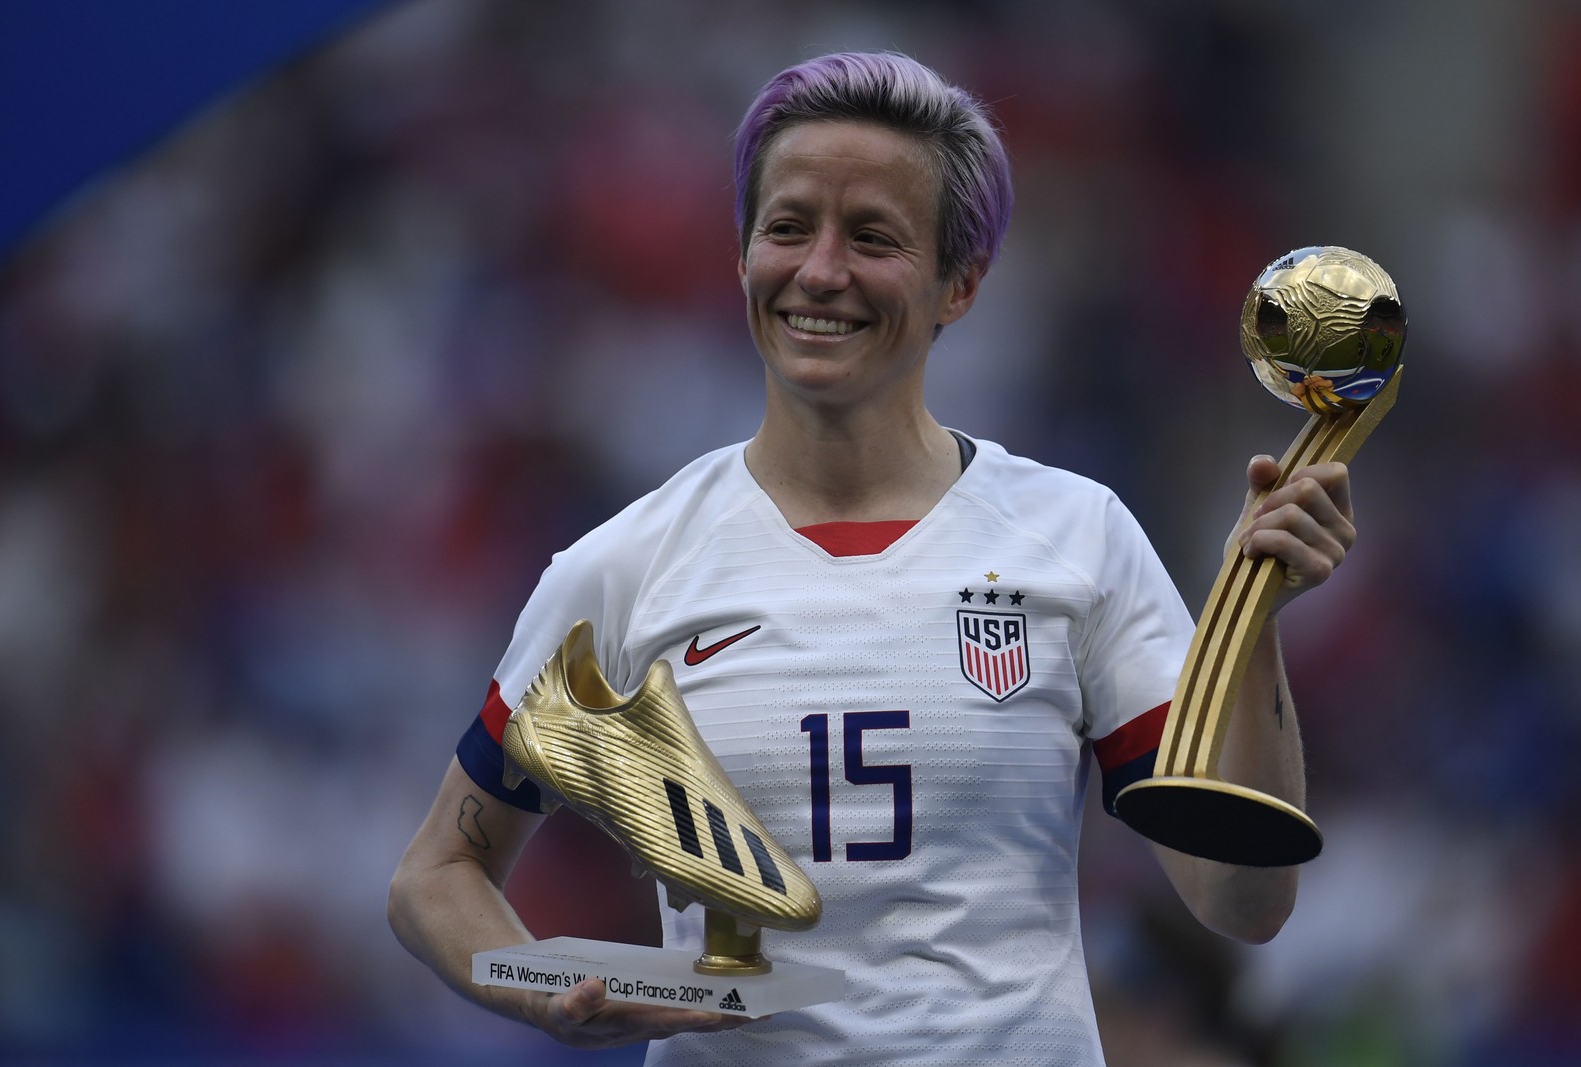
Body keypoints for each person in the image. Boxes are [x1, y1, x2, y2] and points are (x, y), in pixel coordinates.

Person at [388, 50, 1356, 1065]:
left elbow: (1241, 896)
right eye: (789, 226)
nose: (819, 271)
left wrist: (1254, 621)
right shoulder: (623, 568)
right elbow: (436, 872)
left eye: (873, 238)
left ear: (961, 283)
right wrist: (538, 981)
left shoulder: (1079, 539)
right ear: (741, 254)